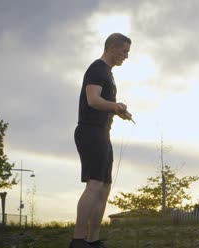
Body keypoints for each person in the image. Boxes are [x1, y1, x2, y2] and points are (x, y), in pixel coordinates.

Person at [70, 33, 133, 248]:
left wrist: (118, 112)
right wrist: (115, 106)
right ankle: (78, 240)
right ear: (112, 47)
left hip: (102, 133)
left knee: (104, 186)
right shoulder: (97, 68)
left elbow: (102, 103)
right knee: (95, 184)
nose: (126, 56)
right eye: (124, 51)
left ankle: (93, 240)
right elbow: (93, 100)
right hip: (90, 132)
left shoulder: (108, 73)